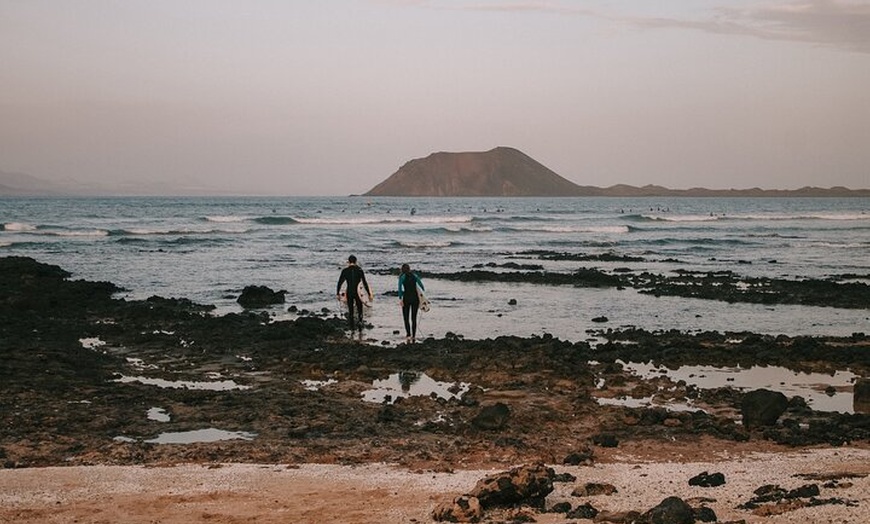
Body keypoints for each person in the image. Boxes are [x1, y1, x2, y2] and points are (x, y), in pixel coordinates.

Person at [336, 255, 372, 332]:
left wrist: (337, 293)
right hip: (358, 293)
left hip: (349, 292)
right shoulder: (359, 270)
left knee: (351, 310)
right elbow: (364, 283)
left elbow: (340, 282)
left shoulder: (345, 271)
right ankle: (360, 323)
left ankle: (352, 328)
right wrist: (369, 294)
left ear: (348, 261)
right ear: (356, 261)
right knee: (359, 308)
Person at [397, 263, 425, 343]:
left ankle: (408, 334)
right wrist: (421, 295)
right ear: (409, 269)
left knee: (406, 318)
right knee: (414, 318)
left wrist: (400, 297)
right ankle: (414, 335)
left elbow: (399, 289)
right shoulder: (415, 276)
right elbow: (422, 286)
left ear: (402, 270)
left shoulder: (402, 277)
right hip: (415, 299)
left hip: (406, 299)